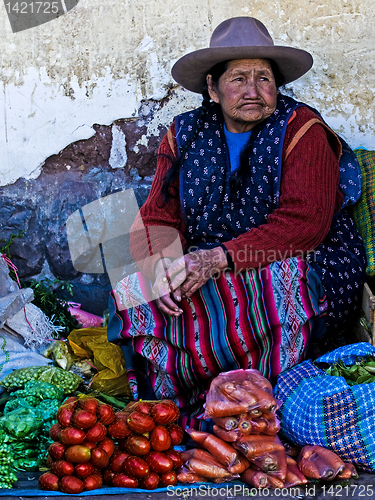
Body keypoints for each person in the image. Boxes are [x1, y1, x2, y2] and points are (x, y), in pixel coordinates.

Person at [107, 17, 366, 429]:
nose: (252, 91)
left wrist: (219, 259)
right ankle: (174, 408)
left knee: (248, 297)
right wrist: (159, 267)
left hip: (303, 259)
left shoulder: (302, 130)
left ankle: (254, 408)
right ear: (212, 87)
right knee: (133, 294)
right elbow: (157, 214)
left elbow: (305, 223)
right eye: (239, 78)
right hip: (205, 259)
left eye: (263, 78)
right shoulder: (185, 133)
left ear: (277, 86)